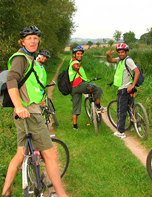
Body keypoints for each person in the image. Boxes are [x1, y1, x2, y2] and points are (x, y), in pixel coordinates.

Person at [1, 26, 68, 197]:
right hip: (28, 113)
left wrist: (40, 98)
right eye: (29, 38)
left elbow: (31, 85)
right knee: (51, 153)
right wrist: (19, 105)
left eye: (35, 38)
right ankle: (62, 195)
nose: (33, 41)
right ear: (22, 41)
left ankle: (6, 190)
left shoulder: (31, 60)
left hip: (26, 112)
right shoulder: (20, 58)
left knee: (20, 153)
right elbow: (11, 81)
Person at [106, 43, 140, 138]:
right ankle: (137, 126)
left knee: (121, 110)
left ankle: (120, 132)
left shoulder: (128, 60)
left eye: (122, 52)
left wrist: (132, 85)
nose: (120, 54)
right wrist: (108, 55)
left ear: (127, 52)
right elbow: (110, 60)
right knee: (131, 107)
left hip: (125, 89)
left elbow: (137, 71)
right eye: (119, 52)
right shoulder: (120, 60)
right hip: (126, 88)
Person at [69, 45, 104, 130]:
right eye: (78, 54)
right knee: (97, 88)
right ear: (74, 55)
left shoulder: (71, 62)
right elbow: (75, 67)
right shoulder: (74, 62)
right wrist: (77, 66)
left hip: (73, 88)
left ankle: (75, 126)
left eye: (81, 54)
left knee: (76, 106)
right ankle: (98, 106)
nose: (80, 55)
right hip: (79, 85)